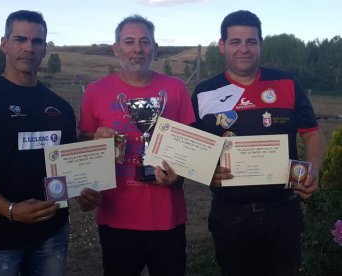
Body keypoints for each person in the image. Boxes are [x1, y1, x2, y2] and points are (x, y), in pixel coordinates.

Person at [0, 10, 100, 276]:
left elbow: (64, 165)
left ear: (44, 49)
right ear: (4, 44)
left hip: (51, 234)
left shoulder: (60, 107)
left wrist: (82, 191)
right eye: (20, 39)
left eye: (37, 41)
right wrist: (10, 210)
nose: (29, 48)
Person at [191, 10, 326, 276]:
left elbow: (312, 133)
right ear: (222, 46)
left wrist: (314, 169)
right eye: (235, 42)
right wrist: (204, 168)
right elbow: (193, 146)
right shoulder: (205, 92)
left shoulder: (286, 84)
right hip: (230, 214)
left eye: (251, 42)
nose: (244, 49)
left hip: (283, 212)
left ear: (261, 45)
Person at [78, 14, 195, 276]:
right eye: (129, 41)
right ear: (116, 49)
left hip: (167, 217)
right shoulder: (96, 92)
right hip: (116, 216)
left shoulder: (175, 88)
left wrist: (178, 176)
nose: (137, 49)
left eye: (144, 41)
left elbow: (190, 147)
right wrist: (95, 141)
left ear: (154, 47)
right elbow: (83, 144)